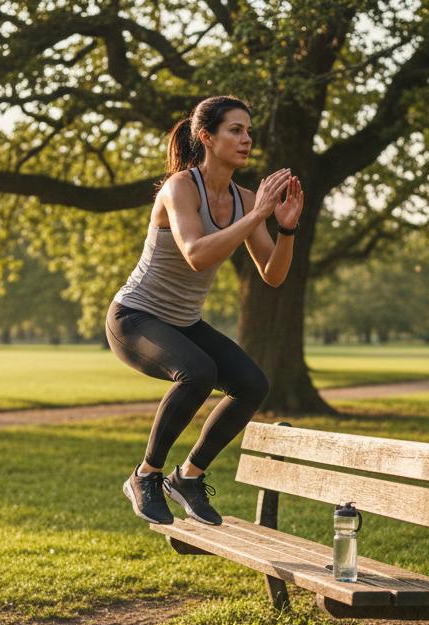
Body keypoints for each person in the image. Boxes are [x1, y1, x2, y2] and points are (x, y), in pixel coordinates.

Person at [106, 95, 304, 526]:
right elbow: (196, 253)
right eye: (235, 130)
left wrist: (285, 227)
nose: (246, 139)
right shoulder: (180, 187)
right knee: (197, 372)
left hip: (184, 323)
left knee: (252, 384)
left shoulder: (246, 199)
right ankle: (146, 475)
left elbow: (272, 275)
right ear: (206, 137)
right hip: (134, 316)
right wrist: (258, 216)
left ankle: (188, 477)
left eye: (249, 131)